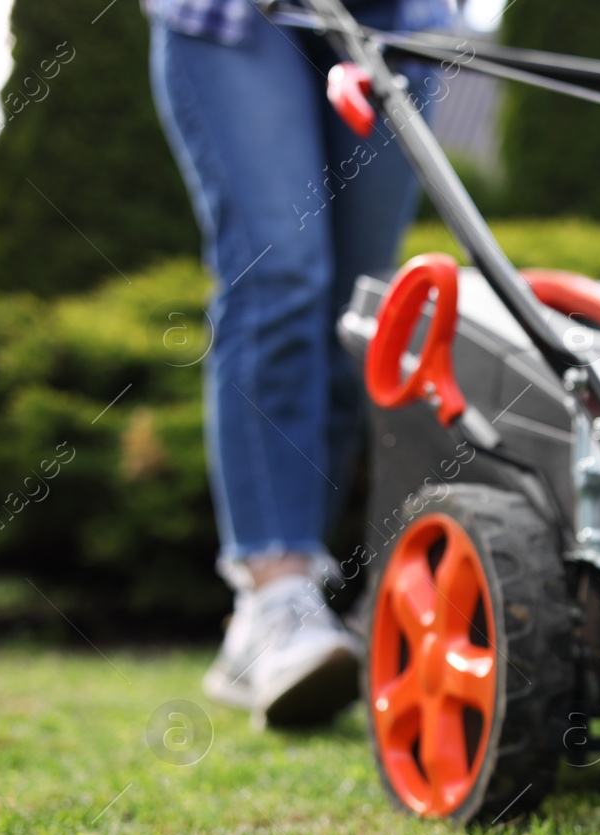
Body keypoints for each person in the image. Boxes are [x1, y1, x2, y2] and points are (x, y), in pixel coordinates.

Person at [144, 0, 454, 726]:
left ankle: (281, 614)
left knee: (357, 315)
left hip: (395, 21)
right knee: (279, 274)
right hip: (234, 19)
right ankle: (274, 589)